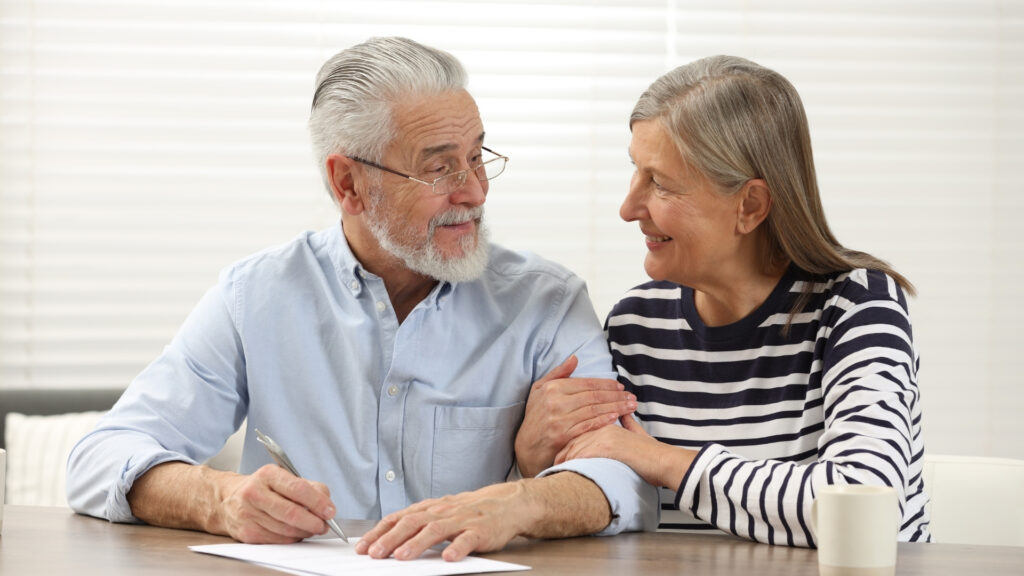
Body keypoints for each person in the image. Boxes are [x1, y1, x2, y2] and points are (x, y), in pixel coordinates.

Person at [66, 36, 658, 561]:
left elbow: (621, 477)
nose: (474, 190)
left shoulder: (547, 302)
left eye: (477, 156)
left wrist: (518, 503)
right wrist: (216, 498)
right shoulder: (257, 296)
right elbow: (100, 457)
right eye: (440, 168)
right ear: (349, 184)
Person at [521, 54, 930, 547]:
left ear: (750, 206)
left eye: (661, 183)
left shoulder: (856, 305)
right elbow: (607, 494)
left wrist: (662, 459)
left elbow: (865, 501)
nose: (628, 208)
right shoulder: (635, 324)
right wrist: (532, 458)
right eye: (635, 171)